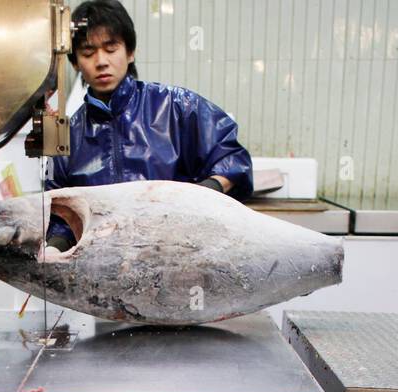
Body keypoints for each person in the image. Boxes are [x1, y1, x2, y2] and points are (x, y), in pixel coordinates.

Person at [43, 0, 253, 252]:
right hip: (104, 272)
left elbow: (233, 161)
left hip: (178, 260)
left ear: (130, 52)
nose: (101, 61)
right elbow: (59, 215)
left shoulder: (177, 107)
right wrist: (54, 248)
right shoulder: (67, 135)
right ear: (75, 62)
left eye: (111, 48)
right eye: (88, 53)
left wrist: (200, 197)